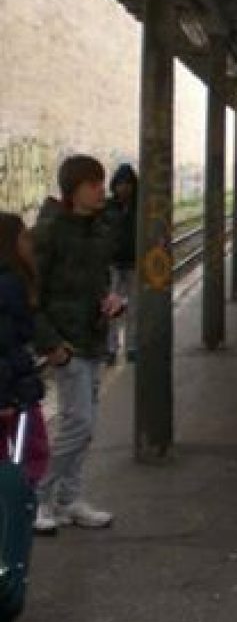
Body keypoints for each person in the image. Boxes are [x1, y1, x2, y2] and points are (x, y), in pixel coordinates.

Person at [31, 155, 121, 532]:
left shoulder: (98, 229)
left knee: (86, 425)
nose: (102, 189)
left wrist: (113, 300)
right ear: (73, 190)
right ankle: (36, 497)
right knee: (78, 423)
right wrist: (51, 343)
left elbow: (99, 282)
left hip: (93, 337)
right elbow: (30, 294)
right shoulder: (49, 232)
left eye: (101, 182)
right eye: (93, 184)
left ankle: (69, 499)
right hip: (67, 344)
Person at [0, 213, 51, 493]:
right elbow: (5, 344)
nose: (30, 243)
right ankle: (24, 505)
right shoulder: (9, 286)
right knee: (33, 453)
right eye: (23, 237)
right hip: (14, 391)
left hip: (14, 386)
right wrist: (6, 397)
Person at [104, 163, 138, 363]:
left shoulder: (140, 207)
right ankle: (111, 348)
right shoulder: (108, 207)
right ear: (114, 185)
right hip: (114, 263)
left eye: (128, 183)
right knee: (112, 309)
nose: (124, 188)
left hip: (134, 263)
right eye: (120, 183)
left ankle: (132, 347)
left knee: (134, 308)